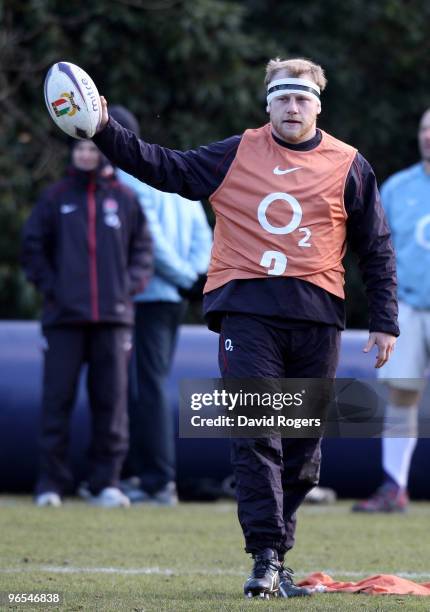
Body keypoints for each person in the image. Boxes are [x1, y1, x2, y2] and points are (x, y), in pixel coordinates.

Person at [93, 58, 399, 597]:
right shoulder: (237, 152)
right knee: (257, 429)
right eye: (282, 97)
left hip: (317, 317)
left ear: (318, 105)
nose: (292, 106)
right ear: (267, 104)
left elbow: (375, 246)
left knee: (304, 451)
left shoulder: (349, 164)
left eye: (302, 98)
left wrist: (384, 321)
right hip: (248, 311)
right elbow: (164, 167)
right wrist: (103, 130)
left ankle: (278, 553)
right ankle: (263, 556)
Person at [21, 139, 153, 508]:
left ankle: (105, 483)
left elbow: (143, 252)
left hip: (113, 321)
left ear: (104, 154)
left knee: (112, 405)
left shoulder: (126, 199)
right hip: (63, 321)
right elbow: (32, 248)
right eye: (80, 149)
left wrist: (126, 289)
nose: (85, 155)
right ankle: (51, 483)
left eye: (92, 149)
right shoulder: (54, 198)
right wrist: (53, 289)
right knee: (56, 402)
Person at [108, 105, 212, 506]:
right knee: (150, 384)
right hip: (172, 297)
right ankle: (148, 474)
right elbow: (203, 233)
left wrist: (182, 278)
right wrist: (194, 277)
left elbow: (150, 241)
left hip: (148, 294)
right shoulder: (169, 173)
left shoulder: (127, 177)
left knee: (143, 388)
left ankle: (156, 479)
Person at [353, 109, 430, 513]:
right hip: (411, 306)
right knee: (401, 395)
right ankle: (394, 487)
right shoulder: (399, 187)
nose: (428, 136)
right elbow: (378, 250)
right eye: (424, 128)